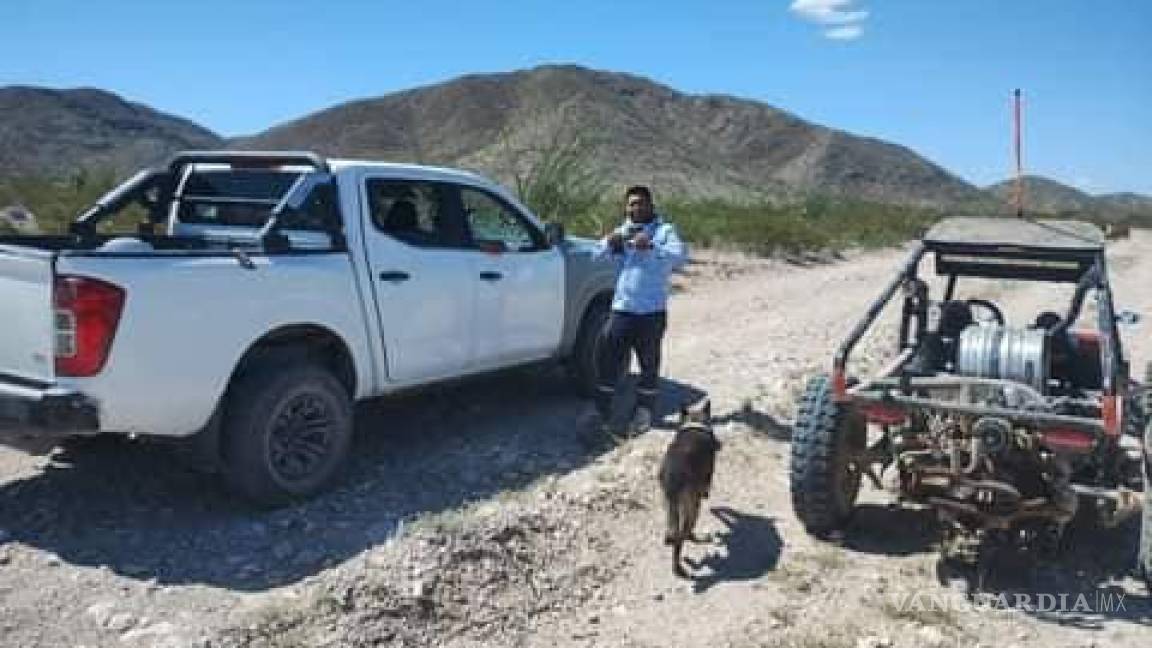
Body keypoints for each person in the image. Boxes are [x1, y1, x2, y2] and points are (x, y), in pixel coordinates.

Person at [588, 185, 687, 434]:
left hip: (651, 312)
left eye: (641, 203)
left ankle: (643, 412)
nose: (636, 207)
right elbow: (594, 255)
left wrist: (651, 247)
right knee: (607, 358)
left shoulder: (664, 231)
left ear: (651, 206)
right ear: (626, 207)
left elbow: (679, 256)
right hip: (623, 309)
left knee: (648, 363)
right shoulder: (623, 230)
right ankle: (602, 410)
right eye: (631, 203)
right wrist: (609, 242)